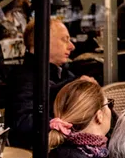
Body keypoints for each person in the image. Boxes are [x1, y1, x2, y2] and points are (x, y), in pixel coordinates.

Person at [9, 17, 80, 146]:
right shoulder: (24, 78)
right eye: (65, 40)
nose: (72, 46)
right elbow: (23, 123)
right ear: (42, 42)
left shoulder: (65, 74)